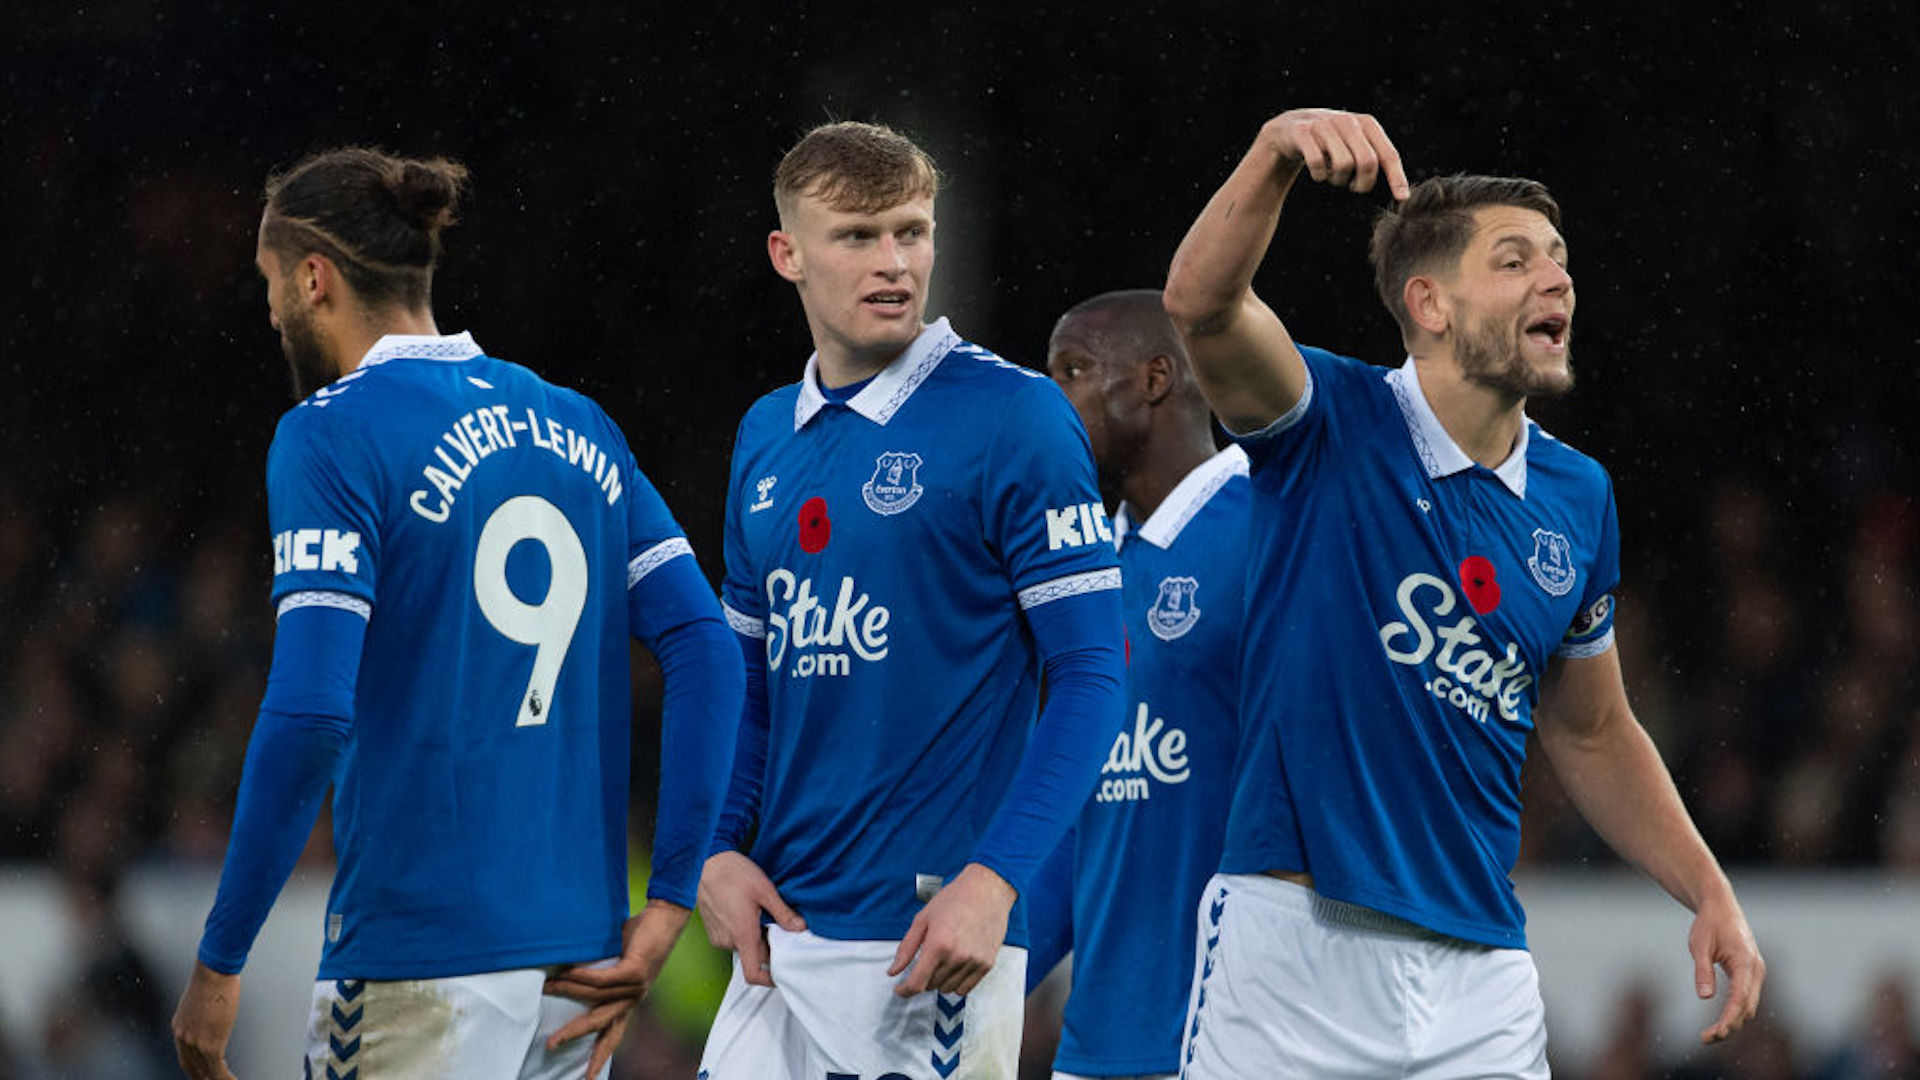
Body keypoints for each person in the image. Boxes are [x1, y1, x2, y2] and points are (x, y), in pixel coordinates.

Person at [1161, 108, 1766, 1078]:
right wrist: (1272, 155)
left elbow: (1592, 731)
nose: (1557, 277)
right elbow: (1199, 306)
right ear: (1430, 304)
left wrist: (1707, 889)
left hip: (1481, 973)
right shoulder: (1330, 420)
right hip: (1295, 951)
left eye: (1560, 258)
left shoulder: (1578, 496)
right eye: (1515, 259)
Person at [170, 147, 742, 1080]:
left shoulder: (331, 431)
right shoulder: (579, 423)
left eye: (270, 284)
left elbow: (313, 712)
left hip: (418, 953)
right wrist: (670, 899)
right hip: (579, 964)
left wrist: (220, 957)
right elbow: (708, 651)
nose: (270, 311)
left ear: (315, 279)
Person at [696, 121, 1128, 1079]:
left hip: (931, 943)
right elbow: (749, 686)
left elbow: (1095, 673)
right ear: (788, 254)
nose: (893, 263)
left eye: (912, 232)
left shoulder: (1015, 418)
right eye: (857, 237)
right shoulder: (765, 435)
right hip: (778, 945)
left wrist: (996, 879)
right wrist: (715, 850)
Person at [1023, 290, 1249, 1080]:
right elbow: (1077, 829)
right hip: (1098, 1048)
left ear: (1157, 378)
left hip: (1248, 1040)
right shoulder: (1082, 570)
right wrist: (974, 981)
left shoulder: (1273, 530)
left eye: (1073, 371)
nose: (1047, 400)